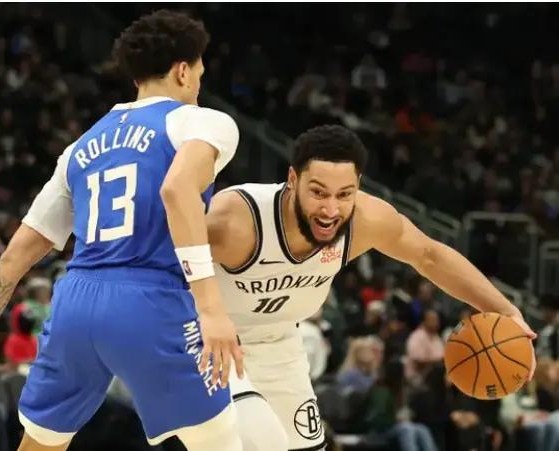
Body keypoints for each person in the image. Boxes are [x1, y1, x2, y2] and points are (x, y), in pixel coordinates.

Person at [0, 10, 244, 451]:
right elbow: (177, 189)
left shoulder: (79, 148)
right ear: (183, 71)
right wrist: (210, 308)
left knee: (40, 444)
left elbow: (12, 259)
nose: (199, 87)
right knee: (221, 441)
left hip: (75, 302)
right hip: (150, 299)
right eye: (200, 75)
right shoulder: (202, 121)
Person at [205, 124, 536, 451]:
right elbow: (172, 259)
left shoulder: (365, 220)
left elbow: (430, 256)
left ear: (358, 186)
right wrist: (205, 317)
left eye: (344, 194)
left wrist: (507, 311)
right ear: (293, 179)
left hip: (277, 342)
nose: (330, 210)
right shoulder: (237, 221)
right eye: (318, 193)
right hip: (206, 339)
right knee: (260, 439)